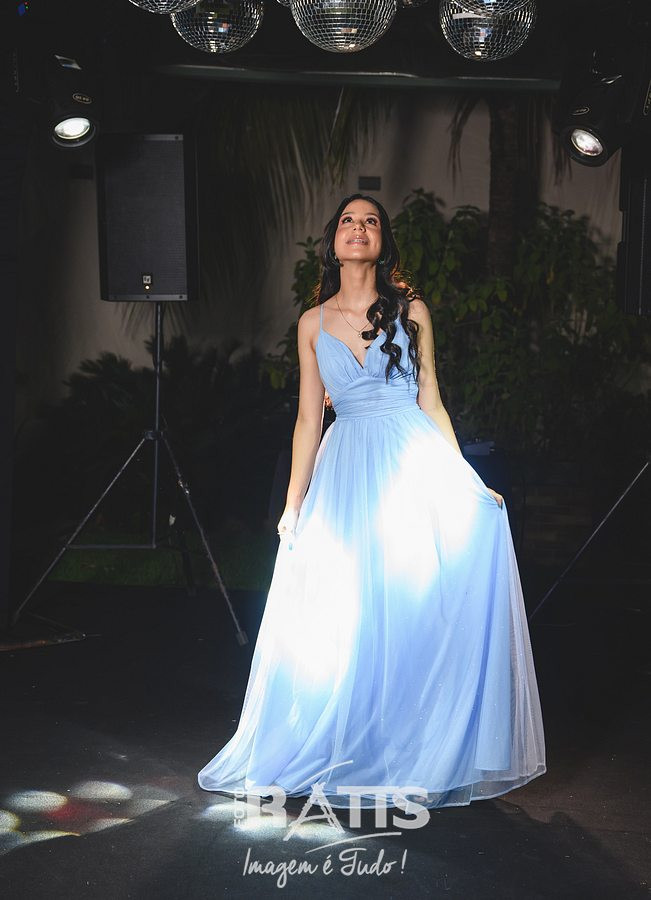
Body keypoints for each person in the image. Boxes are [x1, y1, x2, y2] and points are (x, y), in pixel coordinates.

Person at [198, 193, 546, 810]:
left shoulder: (412, 311)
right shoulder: (312, 324)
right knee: (345, 611)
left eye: (371, 221)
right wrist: (292, 505)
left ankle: (417, 746)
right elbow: (308, 421)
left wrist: (465, 477)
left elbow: (431, 398)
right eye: (348, 221)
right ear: (333, 242)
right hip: (346, 469)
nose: (358, 229)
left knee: (408, 606)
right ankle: (350, 743)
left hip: (409, 459)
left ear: (383, 241)